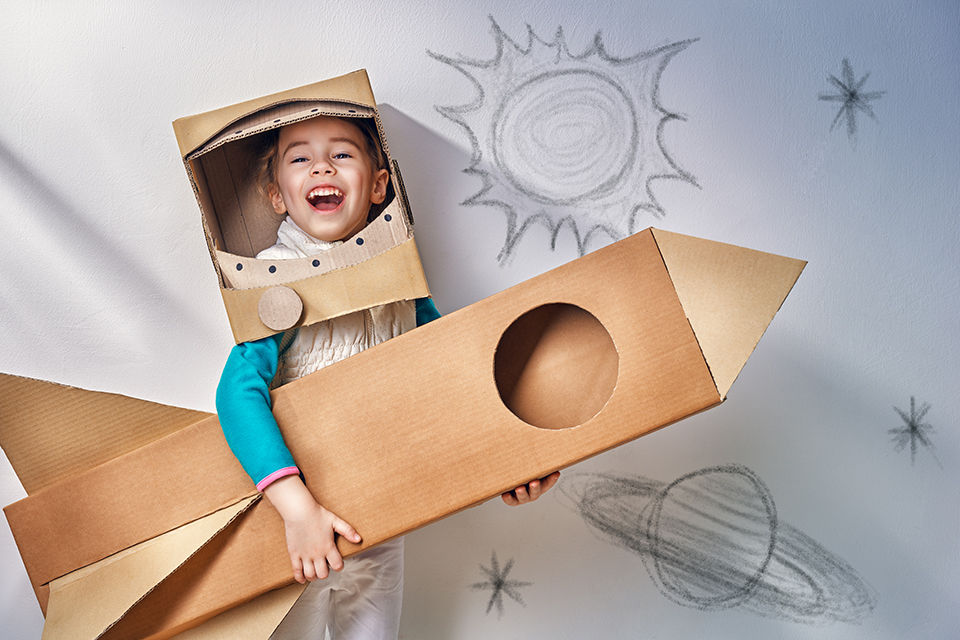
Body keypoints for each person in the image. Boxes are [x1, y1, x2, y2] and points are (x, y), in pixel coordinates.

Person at [216, 114, 559, 639]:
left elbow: (453, 379)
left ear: (379, 185)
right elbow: (237, 397)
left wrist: (507, 464)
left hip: (382, 524)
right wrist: (298, 511)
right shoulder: (270, 282)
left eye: (343, 154)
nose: (322, 165)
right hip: (299, 533)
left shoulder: (405, 286)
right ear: (277, 196)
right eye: (300, 157)